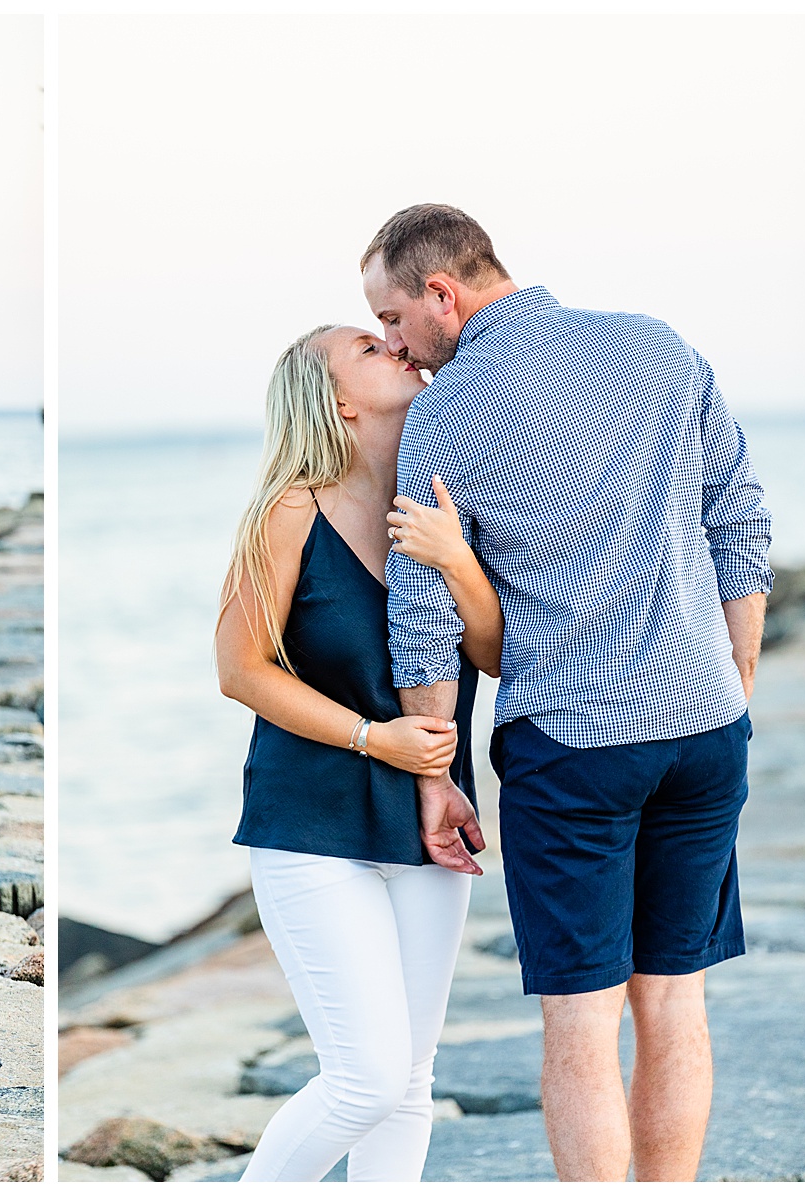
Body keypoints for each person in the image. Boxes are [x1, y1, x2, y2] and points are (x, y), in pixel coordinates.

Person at [362, 203, 772, 1182]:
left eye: (390, 318)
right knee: (674, 1000)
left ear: (441, 294)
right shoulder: (657, 348)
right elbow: (740, 520)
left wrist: (436, 776)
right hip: (705, 730)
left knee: (581, 1021)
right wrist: (733, 686)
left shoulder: (446, 415)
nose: (391, 344)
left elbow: (420, 618)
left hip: (576, 747)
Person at [215, 323, 500, 1181]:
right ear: (337, 399)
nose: (398, 348)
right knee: (365, 1080)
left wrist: (459, 561)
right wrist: (376, 739)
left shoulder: (439, 512)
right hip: (313, 822)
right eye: (369, 350)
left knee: (411, 1082)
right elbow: (239, 669)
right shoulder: (289, 511)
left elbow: (491, 652)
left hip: (432, 822)